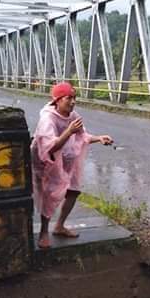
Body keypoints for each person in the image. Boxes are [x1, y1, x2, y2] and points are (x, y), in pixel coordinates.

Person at [31, 82, 113, 249]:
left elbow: (82, 136)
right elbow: (50, 147)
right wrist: (68, 131)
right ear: (57, 100)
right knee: (49, 194)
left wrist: (99, 138)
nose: (73, 102)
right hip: (48, 161)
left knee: (73, 190)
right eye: (69, 98)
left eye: (75, 98)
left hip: (68, 158)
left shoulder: (73, 115)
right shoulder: (48, 119)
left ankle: (60, 226)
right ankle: (44, 232)